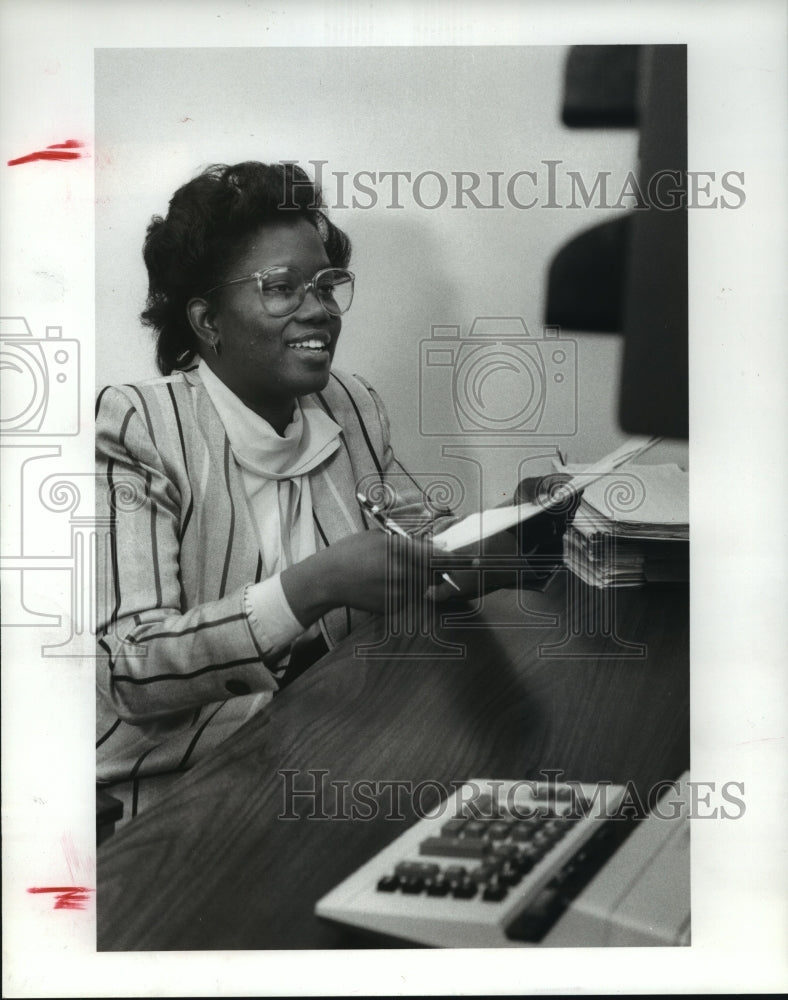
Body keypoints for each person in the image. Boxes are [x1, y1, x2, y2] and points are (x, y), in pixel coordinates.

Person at [95, 161, 456, 819]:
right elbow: (131, 668)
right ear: (207, 320)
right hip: (177, 796)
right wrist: (310, 586)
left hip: (324, 753)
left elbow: (414, 551)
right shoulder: (138, 424)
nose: (318, 309)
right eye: (282, 287)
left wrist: (469, 553)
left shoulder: (351, 404)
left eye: (326, 285)